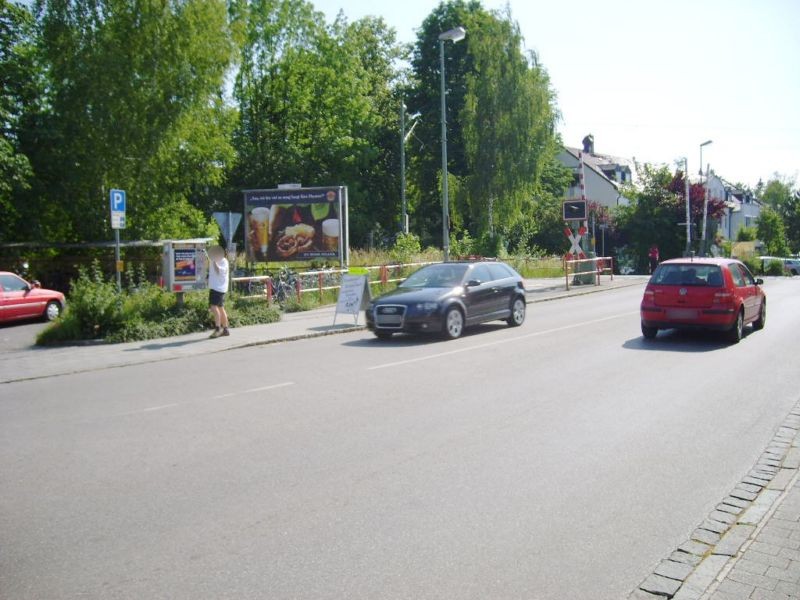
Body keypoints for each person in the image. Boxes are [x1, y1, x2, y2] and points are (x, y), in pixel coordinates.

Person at [207, 246, 230, 338]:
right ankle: (225, 329)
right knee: (220, 308)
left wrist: (214, 261)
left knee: (213, 307)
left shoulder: (223, 261)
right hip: (215, 287)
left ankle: (217, 329)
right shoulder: (214, 260)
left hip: (218, 288)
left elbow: (219, 271)